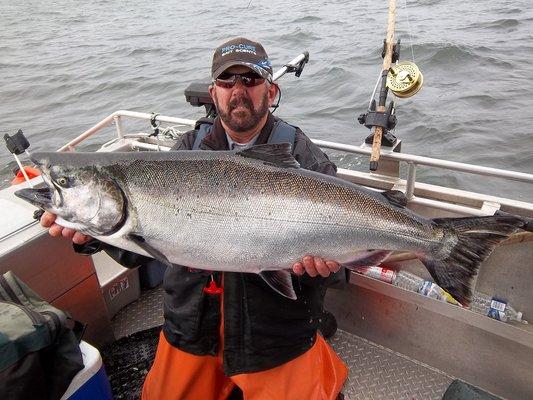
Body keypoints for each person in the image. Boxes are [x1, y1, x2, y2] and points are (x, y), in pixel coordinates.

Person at [41, 37, 348, 400]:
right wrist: (94, 233)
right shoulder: (186, 152)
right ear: (213, 92)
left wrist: (323, 269)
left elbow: (342, 271)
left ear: (271, 89)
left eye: (250, 80)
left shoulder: (306, 159)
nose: (238, 91)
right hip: (192, 328)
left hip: (276, 337)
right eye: (226, 81)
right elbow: (143, 249)